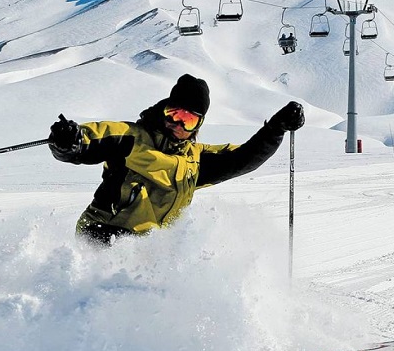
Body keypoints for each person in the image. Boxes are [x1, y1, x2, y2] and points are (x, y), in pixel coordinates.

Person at [48, 74, 305, 246]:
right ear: (164, 110)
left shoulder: (194, 161)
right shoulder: (132, 138)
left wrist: (276, 128)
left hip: (147, 247)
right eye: (173, 113)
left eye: (188, 119)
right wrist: (70, 140)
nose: (177, 124)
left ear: (198, 124)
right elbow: (92, 140)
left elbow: (244, 159)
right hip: (103, 234)